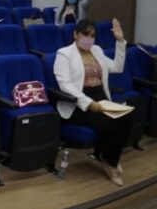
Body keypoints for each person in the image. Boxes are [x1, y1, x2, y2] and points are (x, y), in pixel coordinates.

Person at [53, 19, 131, 186]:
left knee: (127, 118)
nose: (88, 39)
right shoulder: (64, 54)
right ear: (75, 34)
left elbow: (117, 67)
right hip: (78, 103)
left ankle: (110, 159)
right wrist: (89, 103)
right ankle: (110, 164)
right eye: (85, 34)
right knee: (110, 125)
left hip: (101, 98)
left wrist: (120, 41)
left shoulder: (97, 50)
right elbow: (65, 85)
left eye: (92, 35)